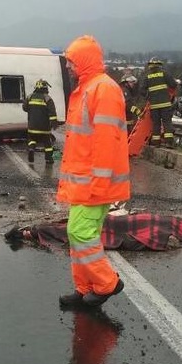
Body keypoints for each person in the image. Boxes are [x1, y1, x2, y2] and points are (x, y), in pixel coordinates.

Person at [57, 35, 130, 309]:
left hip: (94, 183)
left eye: (71, 62)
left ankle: (108, 283)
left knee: (80, 233)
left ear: (84, 61)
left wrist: (99, 184)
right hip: (84, 182)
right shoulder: (87, 88)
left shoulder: (103, 89)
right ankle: (86, 287)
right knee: (79, 234)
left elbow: (106, 142)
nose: (68, 67)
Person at [22, 78, 59, 163]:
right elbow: (52, 113)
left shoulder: (29, 97)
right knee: (47, 143)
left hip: (32, 126)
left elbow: (24, 108)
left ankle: (31, 149)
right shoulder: (47, 98)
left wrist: (32, 110)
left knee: (32, 139)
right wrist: (54, 124)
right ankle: (49, 159)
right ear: (45, 88)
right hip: (44, 128)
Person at [145, 57, 177, 148]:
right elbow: (173, 84)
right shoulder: (164, 74)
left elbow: (142, 90)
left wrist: (149, 97)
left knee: (156, 123)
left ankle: (156, 143)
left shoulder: (147, 76)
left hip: (154, 105)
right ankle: (168, 142)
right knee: (167, 122)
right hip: (165, 104)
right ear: (159, 65)